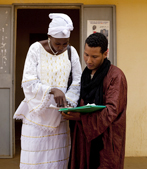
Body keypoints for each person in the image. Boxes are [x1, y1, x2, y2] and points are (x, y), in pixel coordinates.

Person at [13, 13, 82, 169]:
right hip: (36, 117)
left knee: (57, 160)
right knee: (34, 160)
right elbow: (28, 82)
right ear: (49, 36)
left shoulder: (72, 52)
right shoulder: (35, 49)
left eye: (65, 44)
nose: (61, 48)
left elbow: (77, 82)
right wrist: (52, 90)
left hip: (60, 118)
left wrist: (68, 102)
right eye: (58, 43)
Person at [62, 32, 127, 169]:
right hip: (83, 138)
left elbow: (112, 110)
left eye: (94, 56)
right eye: (86, 54)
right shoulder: (85, 75)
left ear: (105, 53)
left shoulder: (116, 76)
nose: (89, 60)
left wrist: (81, 117)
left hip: (105, 140)